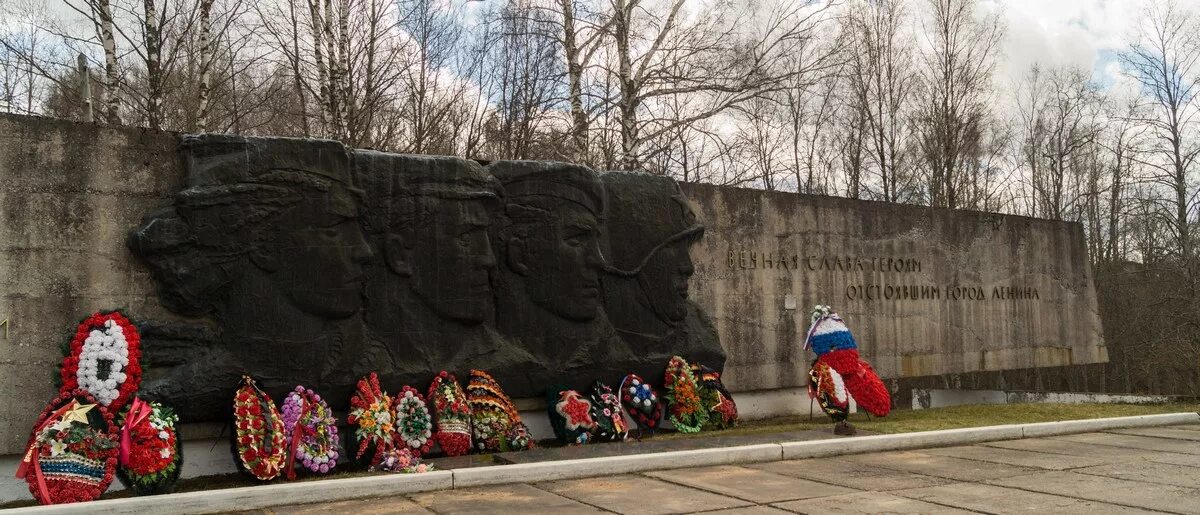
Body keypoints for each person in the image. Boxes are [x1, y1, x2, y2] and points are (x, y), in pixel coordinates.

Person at [130, 135, 372, 419]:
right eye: (333, 230)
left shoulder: (368, 357)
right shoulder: (185, 387)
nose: (365, 251)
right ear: (264, 246)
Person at [600, 171, 726, 382]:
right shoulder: (581, 340)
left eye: (686, 248)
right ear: (630, 255)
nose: (688, 267)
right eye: (672, 249)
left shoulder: (700, 332)